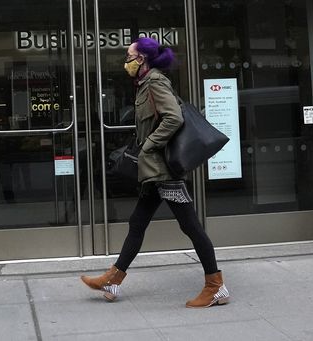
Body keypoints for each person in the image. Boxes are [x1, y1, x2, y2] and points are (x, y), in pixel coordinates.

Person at [81, 37, 230, 308]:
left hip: (164, 171)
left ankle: (215, 286)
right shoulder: (144, 84)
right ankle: (113, 280)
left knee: (191, 226)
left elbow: (174, 117)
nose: (125, 61)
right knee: (138, 222)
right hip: (154, 171)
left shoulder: (155, 82)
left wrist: (149, 145)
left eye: (129, 56)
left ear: (143, 59)